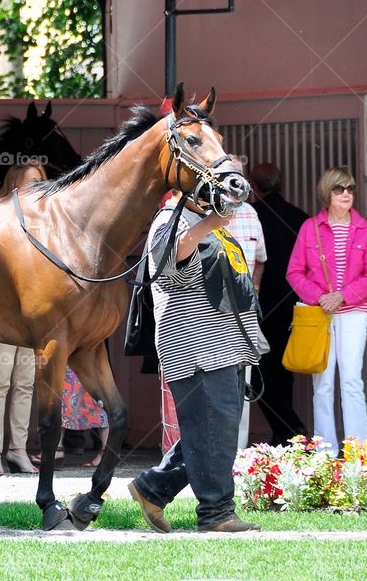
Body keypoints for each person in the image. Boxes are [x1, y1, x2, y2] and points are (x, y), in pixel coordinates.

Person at [128, 190, 261, 533]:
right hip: (196, 347)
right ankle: (216, 513)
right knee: (213, 429)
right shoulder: (170, 218)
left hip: (224, 346)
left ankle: (152, 490)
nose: (219, 193)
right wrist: (208, 224)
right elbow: (169, 259)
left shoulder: (205, 222)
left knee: (209, 430)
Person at [286, 166, 367, 454]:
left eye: (350, 189)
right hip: (319, 315)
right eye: (339, 189)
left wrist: (341, 296)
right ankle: (325, 453)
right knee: (323, 384)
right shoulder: (310, 228)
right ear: (327, 193)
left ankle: (359, 452)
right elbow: (294, 272)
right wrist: (319, 297)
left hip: (353, 313)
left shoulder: (365, 229)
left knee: (352, 381)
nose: (346, 194)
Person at [0, 163, 45, 476]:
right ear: (15, 185)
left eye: (41, 181)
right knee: (0, 379)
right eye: (32, 181)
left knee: (25, 381)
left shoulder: (45, 221)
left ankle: (18, 450)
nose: (38, 185)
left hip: (31, 312)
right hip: (1, 311)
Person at [249, 163, 310, 446]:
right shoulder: (300, 218)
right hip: (292, 305)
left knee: (259, 371)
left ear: (254, 187)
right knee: (283, 371)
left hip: (258, 306)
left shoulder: (252, 217)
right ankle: (286, 432)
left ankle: (289, 429)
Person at [224, 176, 267, 449]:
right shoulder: (203, 211)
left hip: (245, 312)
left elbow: (261, 260)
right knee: (217, 382)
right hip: (212, 314)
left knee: (243, 383)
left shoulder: (251, 213)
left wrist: (255, 290)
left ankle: (238, 453)